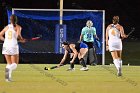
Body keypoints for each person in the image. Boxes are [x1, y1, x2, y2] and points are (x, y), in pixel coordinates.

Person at [0, 14, 25, 82]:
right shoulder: (18, 27)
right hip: (13, 46)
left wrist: (5, 40)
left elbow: (0, 35)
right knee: (15, 65)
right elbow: (18, 36)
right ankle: (8, 73)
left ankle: (8, 78)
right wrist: (22, 40)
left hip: (5, 46)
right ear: (16, 20)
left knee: (9, 63)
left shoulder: (6, 27)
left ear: (10, 20)